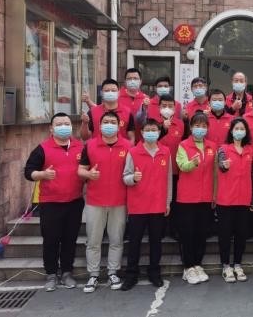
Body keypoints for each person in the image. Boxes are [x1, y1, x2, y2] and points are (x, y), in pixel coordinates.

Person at [24, 113, 84, 292]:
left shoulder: (80, 147)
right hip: (50, 203)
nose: (63, 127)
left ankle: (67, 272)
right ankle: (51, 274)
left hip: (74, 202)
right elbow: (28, 172)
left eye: (66, 123)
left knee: (70, 239)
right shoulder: (42, 149)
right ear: (51, 128)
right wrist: (42, 174)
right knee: (51, 240)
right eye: (59, 124)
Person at [78, 111, 131, 293]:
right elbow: (80, 170)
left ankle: (113, 272)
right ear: (100, 126)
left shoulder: (128, 146)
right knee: (93, 240)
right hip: (95, 201)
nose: (109, 125)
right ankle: (93, 275)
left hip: (119, 201)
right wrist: (89, 174)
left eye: (113, 122)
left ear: (119, 125)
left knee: (117, 240)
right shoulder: (90, 145)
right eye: (106, 122)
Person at [121, 119, 171, 290]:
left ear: (159, 132)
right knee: (134, 242)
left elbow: (168, 180)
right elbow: (125, 177)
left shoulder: (165, 151)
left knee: (156, 242)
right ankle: (131, 274)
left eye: (154, 130)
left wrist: (167, 202)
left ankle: (154, 272)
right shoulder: (133, 152)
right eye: (147, 130)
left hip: (158, 205)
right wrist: (133, 179)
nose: (151, 132)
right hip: (137, 206)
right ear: (142, 132)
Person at [176, 113, 217, 285]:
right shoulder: (183, 145)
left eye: (204, 126)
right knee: (187, 233)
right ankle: (188, 267)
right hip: (187, 197)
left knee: (201, 233)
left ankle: (198, 264)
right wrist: (192, 163)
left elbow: (215, 172)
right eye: (197, 126)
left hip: (205, 197)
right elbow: (182, 166)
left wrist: (214, 194)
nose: (200, 129)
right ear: (191, 127)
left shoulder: (212, 146)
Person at [216, 118, 253, 283]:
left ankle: (237, 264)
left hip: (244, 199)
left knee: (241, 234)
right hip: (226, 199)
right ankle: (226, 265)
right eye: (236, 128)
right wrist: (224, 166)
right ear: (231, 131)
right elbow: (221, 165)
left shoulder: (249, 150)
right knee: (225, 234)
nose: (239, 131)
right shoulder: (223, 149)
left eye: (242, 128)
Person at [147, 94, 185, 237]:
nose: (167, 108)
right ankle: (159, 230)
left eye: (170, 106)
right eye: (164, 106)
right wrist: (162, 128)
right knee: (158, 199)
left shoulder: (181, 124)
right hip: (156, 170)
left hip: (175, 169)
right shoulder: (152, 124)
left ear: (175, 108)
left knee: (174, 201)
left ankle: (173, 230)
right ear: (159, 107)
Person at [80, 78, 135, 144]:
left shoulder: (127, 112)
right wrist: (84, 123)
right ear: (102, 93)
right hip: (97, 148)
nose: (110, 93)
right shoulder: (92, 112)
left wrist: (129, 149)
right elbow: (84, 137)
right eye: (107, 91)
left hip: (121, 149)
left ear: (119, 93)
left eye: (113, 90)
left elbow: (131, 138)